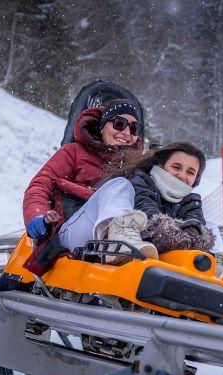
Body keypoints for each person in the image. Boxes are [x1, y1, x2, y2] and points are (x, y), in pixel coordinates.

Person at [57, 142, 223, 288]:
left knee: (208, 227)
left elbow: (197, 229)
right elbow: (148, 213)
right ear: (160, 166)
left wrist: (199, 242)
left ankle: (217, 265)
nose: (183, 175)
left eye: (191, 172)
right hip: (80, 236)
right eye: (176, 167)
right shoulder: (141, 181)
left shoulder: (189, 200)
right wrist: (179, 235)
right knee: (119, 186)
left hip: (142, 244)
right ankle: (119, 236)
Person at [19, 99, 144, 274]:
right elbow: (41, 185)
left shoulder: (136, 168)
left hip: (106, 238)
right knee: (120, 186)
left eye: (133, 128)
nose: (125, 132)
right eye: (119, 123)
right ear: (102, 126)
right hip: (69, 231)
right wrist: (37, 214)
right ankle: (121, 242)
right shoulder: (74, 152)